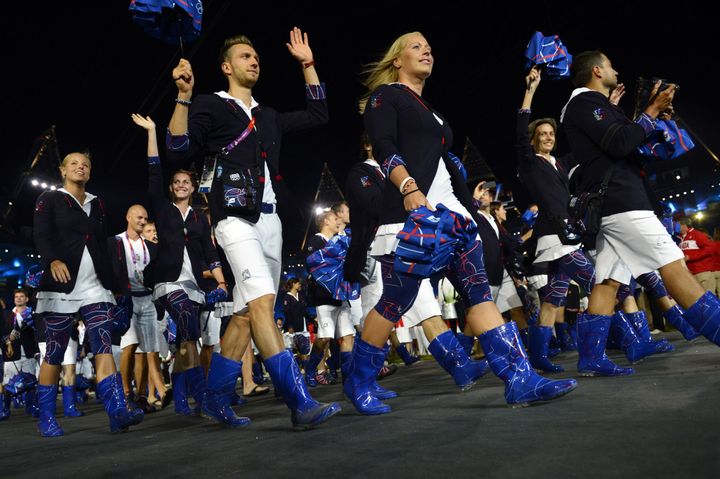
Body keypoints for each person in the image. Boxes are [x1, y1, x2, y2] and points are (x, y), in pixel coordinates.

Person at [344, 31, 577, 415]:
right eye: (417, 46)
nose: (427, 50)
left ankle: (519, 379)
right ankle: (359, 380)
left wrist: (466, 211)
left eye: (429, 46)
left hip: (452, 217)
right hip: (412, 215)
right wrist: (407, 187)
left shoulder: (427, 107)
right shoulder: (386, 97)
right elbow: (384, 147)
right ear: (397, 60)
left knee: (479, 293)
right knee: (394, 301)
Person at [166, 28, 339, 429]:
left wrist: (307, 64)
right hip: (233, 219)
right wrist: (183, 96)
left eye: (257, 56)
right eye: (246, 56)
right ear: (227, 66)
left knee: (246, 313)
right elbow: (178, 147)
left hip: (271, 219)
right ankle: (298, 401)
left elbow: (319, 115)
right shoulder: (211, 105)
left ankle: (213, 398)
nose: (254, 61)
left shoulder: (268, 116)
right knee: (262, 302)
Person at [562, 51, 720, 370]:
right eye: (610, 65)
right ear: (596, 71)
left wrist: (651, 117)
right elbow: (620, 144)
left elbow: (628, 146)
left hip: (617, 202)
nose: (616, 70)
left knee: (608, 282)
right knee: (673, 267)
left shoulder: (595, 105)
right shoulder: (583, 103)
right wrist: (649, 111)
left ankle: (591, 359)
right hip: (623, 202)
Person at [33, 152, 143, 436]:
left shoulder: (98, 203)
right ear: (62, 170)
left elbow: (101, 243)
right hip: (61, 285)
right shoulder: (50, 199)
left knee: (104, 348)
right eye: (74, 164)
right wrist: (52, 261)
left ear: (90, 173)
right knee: (55, 353)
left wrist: (116, 286)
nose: (80, 167)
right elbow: (42, 235)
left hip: (96, 285)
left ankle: (117, 412)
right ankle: (46, 418)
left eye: (85, 165)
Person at [133, 113, 227, 419]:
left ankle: (183, 395)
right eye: (177, 182)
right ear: (172, 188)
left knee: (189, 340)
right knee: (186, 320)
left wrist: (222, 283)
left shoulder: (199, 218)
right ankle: (201, 398)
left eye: (186, 181)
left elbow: (210, 253)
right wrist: (152, 132)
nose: (181, 185)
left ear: (192, 185)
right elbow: (154, 173)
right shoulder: (162, 209)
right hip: (167, 282)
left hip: (194, 286)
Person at [107, 204, 171, 411]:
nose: (143, 221)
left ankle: (141, 395)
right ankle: (126, 394)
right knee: (130, 346)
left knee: (149, 349)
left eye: (145, 218)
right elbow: (107, 269)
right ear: (128, 217)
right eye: (139, 217)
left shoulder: (151, 246)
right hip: (126, 300)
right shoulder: (115, 242)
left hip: (148, 298)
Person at [679, 219, 716, 293]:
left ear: (684, 225)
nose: (674, 227)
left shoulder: (697, 234)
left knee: (709, 299)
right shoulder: (680, 238)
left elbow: (710, 248)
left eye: (676, 225)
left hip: (702, 272)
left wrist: (690, 257)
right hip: (691, 274)